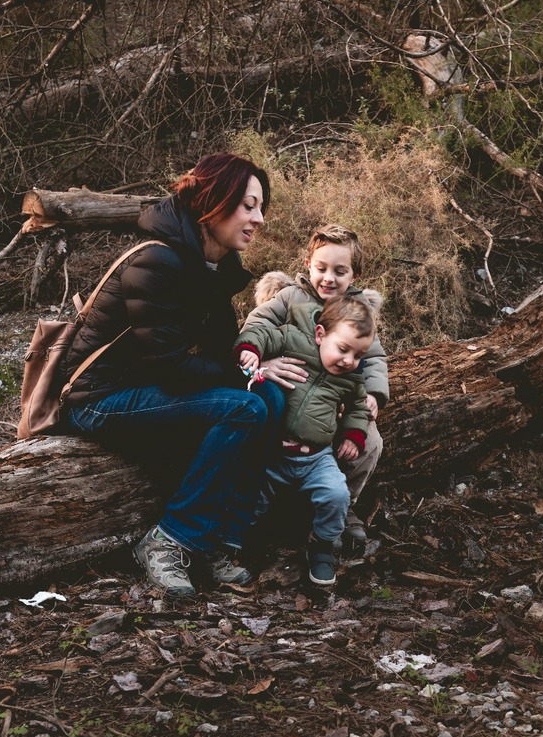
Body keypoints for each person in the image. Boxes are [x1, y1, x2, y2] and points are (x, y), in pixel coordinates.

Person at [61, 153, 285, 598]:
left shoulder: (213, 264)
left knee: (270, 396)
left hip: (150, 390)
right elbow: (174, 367)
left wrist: (257, 366)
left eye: (261, 207)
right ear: (213, 203)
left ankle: (220, 542)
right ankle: (170, 540)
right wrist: (237, 376)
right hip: (100, 400)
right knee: (242, 407)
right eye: (248, 205)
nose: (259, 219)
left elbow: (223, 352)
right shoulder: (157, 261)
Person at [242, 225, 388, 552]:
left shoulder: (358, 310)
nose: (328, 279)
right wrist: (260, 361)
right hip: (292, 390)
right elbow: (257, 325)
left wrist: (373, 393)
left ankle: (342, 506)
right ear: (308, 263)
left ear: (355, 274)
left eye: (340, 271)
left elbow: (375, 356)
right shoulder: (291, 296)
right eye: (321, 268)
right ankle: (250, 509)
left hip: (336, 396)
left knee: (370, 442)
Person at [236, 293, 377, 586]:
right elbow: (262, 332)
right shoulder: (293, 340)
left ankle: (323, 546)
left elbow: (359, 407)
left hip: (316, 457)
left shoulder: (351, 379)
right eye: (343, 349)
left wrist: (353, 435)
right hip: (275, 452)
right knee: (251, 494)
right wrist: (251, 349)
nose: (349, 360)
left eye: (359, 355)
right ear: (320, 334)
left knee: (336, 494)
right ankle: (237, 544)